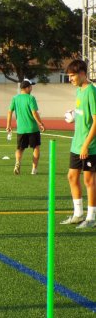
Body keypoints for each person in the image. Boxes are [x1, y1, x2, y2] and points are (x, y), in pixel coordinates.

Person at [60, 59, 96, 229]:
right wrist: (74, 116)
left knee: (89, 180)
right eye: (69, 76)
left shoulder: (91, 91)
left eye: (72, 76)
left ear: (82, 74)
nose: (70, 79)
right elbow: (84, 114)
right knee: (72, 177)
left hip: (89, 146)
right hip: (76, 144)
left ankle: (91, 217)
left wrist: (86, 145)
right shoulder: (79, 91)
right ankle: (78, 214)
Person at [5, 79, 45, 175]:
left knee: (20, 148)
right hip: (32, 128)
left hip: (21, 129)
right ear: (27, 88)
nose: (31, 88)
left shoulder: (15, 98)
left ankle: (18, 162)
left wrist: (8, 125)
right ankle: (34, 169)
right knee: (36, 148)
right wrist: (40, 123)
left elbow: (9, 111)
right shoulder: (31, 98)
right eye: (31, 87)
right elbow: (34, 112)